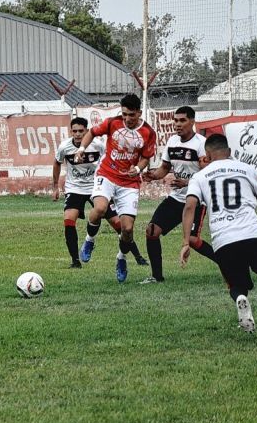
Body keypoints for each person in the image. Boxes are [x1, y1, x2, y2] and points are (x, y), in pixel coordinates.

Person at [180, 134, 257, 346]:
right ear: (229, 152)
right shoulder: (246, 169)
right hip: (255, 235)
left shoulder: (200, 176)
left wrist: (186, 242)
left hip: (225, 241)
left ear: (208, 155)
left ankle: (240, 298)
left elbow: (190, 206)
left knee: (235, 284)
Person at [74, 94, 157, 283]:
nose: (127, 119)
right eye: (125, 114)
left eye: (132, 115)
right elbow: (92, 133)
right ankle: (89, 240)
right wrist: (81, 150)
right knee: (100, 209)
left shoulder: (148, 133)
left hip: (129, 182)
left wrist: (137, 169)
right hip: (107, 174)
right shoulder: (112, 123)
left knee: (127, 229)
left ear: (139, 113)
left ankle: (121, 257)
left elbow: (145, 157)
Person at [52, 117, 148, 268]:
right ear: (71, 131)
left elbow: (110, 159)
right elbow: (57, 163)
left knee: (119, 224)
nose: (77, 134)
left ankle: (138, 256)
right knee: (69, 220)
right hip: (74, 188)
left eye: (81, 131)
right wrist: (55, 187)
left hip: (96, 186)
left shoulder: (97, 145)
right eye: (74, 131)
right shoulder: (64, 147)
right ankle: (75, 261)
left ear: (86, 130)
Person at [140, 106, 216, 283]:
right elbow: (165, 168)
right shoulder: (172, 141)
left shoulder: (201, 144)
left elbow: (207, 175)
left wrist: (188, 183)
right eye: (175, 120)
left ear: (192, 121)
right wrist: (153, 176)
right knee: (152, 231)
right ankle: (156, 277)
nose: (177, 124)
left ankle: (225, 262)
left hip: (197, 200)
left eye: (182, 120)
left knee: (192, 239)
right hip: (176, 198)